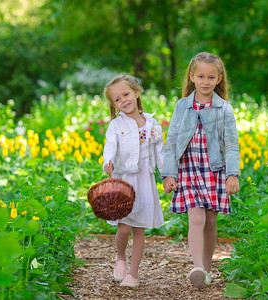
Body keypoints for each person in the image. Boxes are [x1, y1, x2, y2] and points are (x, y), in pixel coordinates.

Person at [162, 52, 240, 288]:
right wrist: (169, 173)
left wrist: (232, 174)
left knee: (211, 219)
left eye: (211, 77)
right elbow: (173, 140)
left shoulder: (223, 108)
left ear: (219, 79)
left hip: (214, 169)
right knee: (196, 217)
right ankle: (196, 266)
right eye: (201, 76)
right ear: (192, 77)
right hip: (189, 169)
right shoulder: (182, 106)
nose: (205, 82)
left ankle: (206, 269)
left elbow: (231, 143)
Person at [102, 74, 165, 287]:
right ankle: (121, 257)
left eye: (126, 94)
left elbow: (160, 152)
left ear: (137, 93)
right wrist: (108, 161)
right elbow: (110, 145)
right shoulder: (116, 125)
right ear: (114, 105)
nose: (124, 100)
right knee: (123, 227)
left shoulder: (152, 124)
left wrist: (166, 176)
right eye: (117, 99)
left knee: (139, 229)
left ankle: (133, 274)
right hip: (124, 181)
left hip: (145, 181)